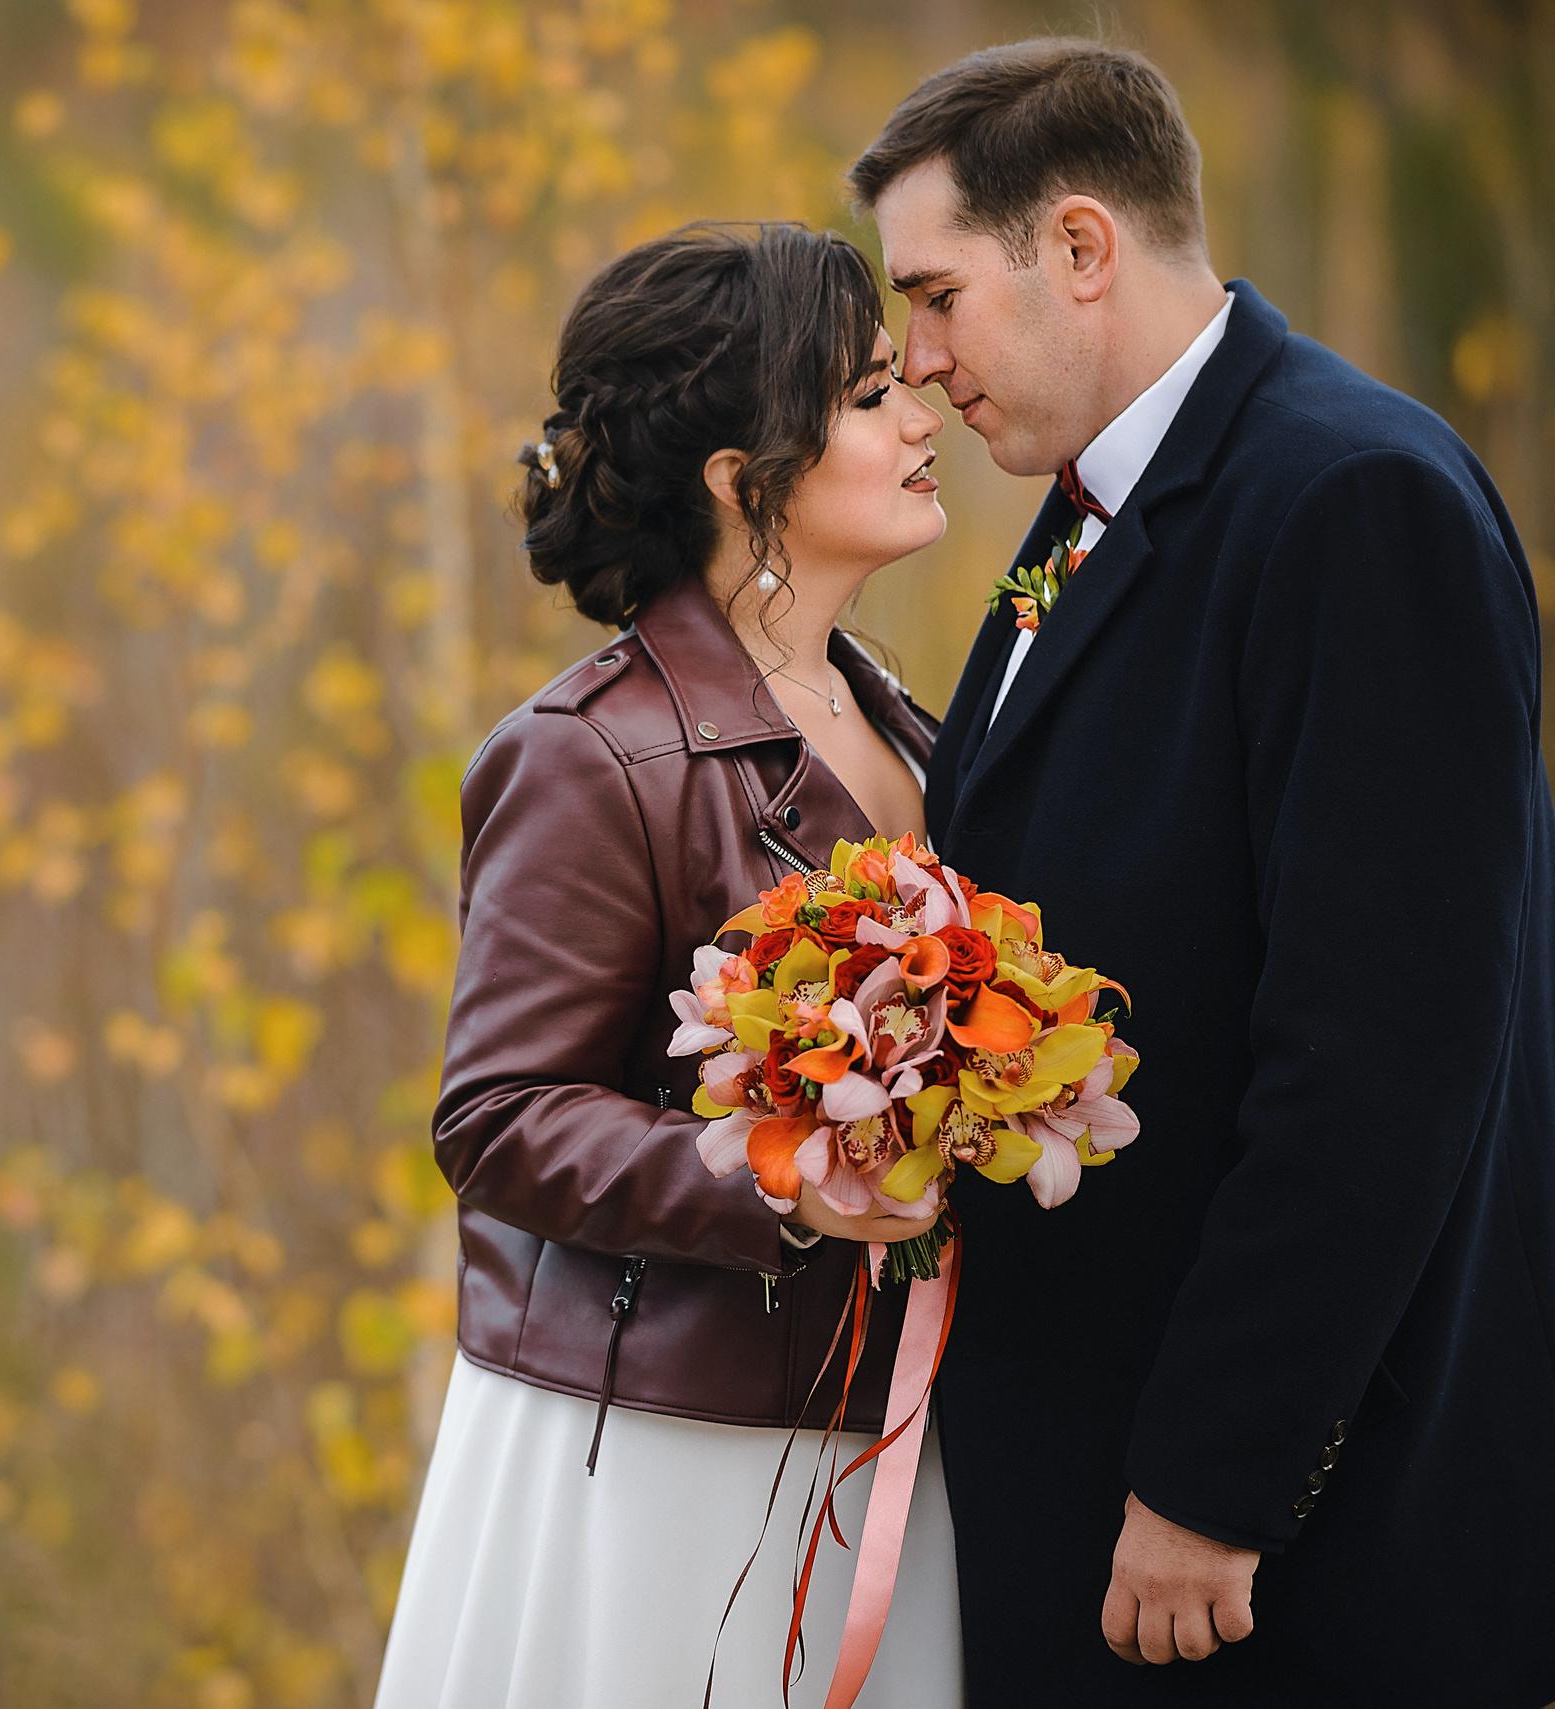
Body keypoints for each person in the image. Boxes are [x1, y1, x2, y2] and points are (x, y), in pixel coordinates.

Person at [851, 38, 1555, 1707]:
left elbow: (1381, 1059)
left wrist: (1218, 1477)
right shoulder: (1089, 508)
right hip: (1078, 1461)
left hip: (1275, 1541)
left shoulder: (1353, 500)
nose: (918, 360)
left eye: (939, 295)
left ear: (1082, 248)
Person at [374, 222, 961, 1708]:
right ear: (738, 475)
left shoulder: (912, 724)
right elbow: (497, 1114)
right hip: (658, 1460)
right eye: (870, 391)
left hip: (886, 1436)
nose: (922, 414)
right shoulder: (588, 755)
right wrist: (780, 1178)